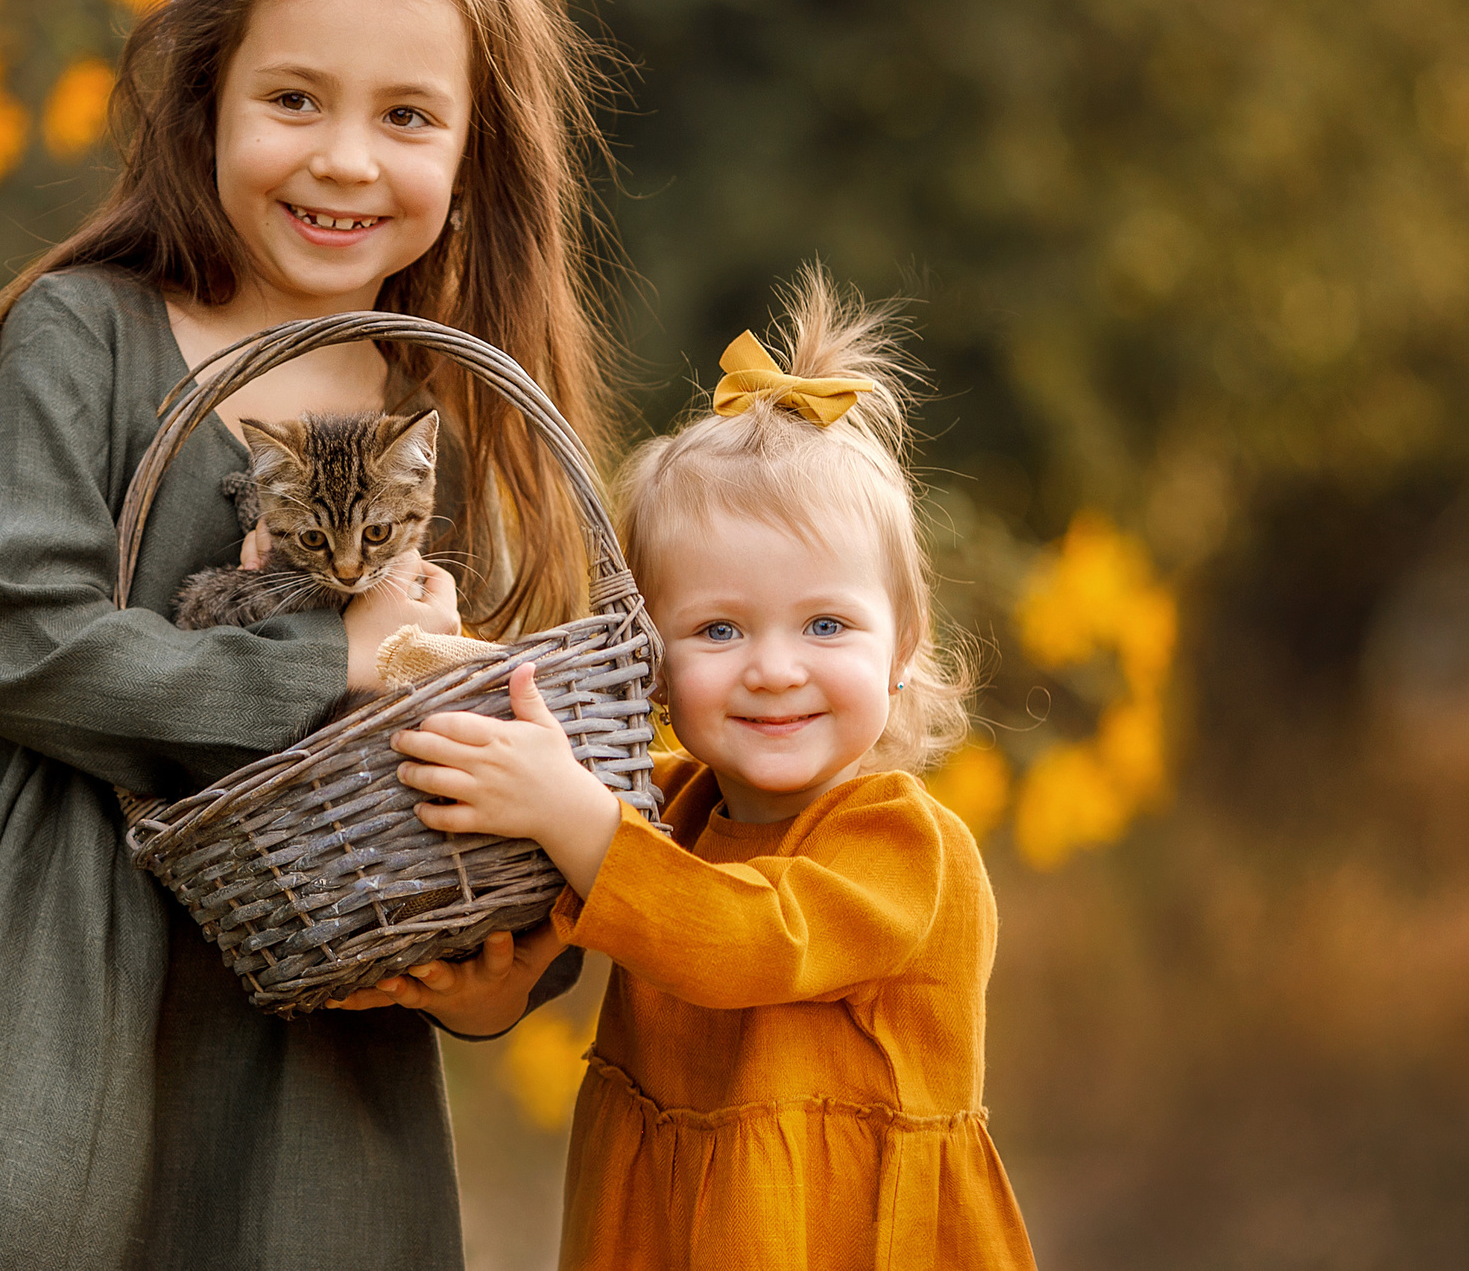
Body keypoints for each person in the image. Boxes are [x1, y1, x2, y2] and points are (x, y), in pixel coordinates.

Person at [0, 0, 621, 1271]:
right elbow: (27, 645)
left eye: (409, 117)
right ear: (205, 94)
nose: (346, 159)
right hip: (52, 958)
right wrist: (327, 655)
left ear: (478, 143)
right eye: (294, 96)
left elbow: (477, 761)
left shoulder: (449, 406)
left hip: (312, 1028)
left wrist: (494, 981)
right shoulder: (87, 337)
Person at [393, 268, 1039, 1269]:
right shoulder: (671, 805)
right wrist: (480, 992)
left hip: (837, 1238)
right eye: (718, 628)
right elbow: (563, 927)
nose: (774, 669)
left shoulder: (908, 847)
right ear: (647, 656)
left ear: (904, 644)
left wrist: (570, 814)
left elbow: (748, 939)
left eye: (826, 624)